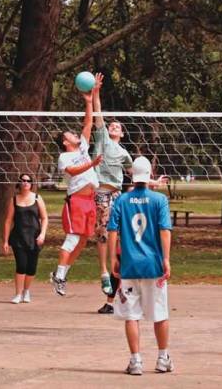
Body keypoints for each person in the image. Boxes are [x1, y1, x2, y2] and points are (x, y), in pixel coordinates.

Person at [107, 156, 173, 375]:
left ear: (131, 175)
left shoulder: (121, 200)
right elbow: (165, 230)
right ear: (150, 173)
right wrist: (166, 258)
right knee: (160, 313)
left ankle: (135, 361)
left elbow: (112, 232)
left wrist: (113, 259)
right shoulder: (159, 200)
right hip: (153, 265)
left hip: (130, 265)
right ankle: (163, 358)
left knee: (131, 315)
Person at [50, 84, 103, 296]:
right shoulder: (64, 157)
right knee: (72, 239)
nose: (75, 134)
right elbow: (73, 171)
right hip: (76, 202)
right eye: (70, 134)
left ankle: (61, 273)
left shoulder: (82, 148)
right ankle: (60, 276)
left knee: (82, 241)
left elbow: (88, 123)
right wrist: (92, 164)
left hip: (90, 200)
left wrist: (89, 101)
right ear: (65, 142)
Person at [91, 72, 134, 309]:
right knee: (103, 232)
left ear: (122, 133)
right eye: (111, 125)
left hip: (117, 194)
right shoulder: (103, 139)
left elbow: (135, 174)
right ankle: (104, 271)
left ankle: (116, 275)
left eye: (117, 126)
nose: (113, 127)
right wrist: (96, 91)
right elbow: (98, 114)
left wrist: (153, 183)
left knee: (117, 235)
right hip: (101, 192)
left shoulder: (125, 153)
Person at [2, 173, 48, 304]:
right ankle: (18, 294)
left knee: (31, 268)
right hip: (19, 237)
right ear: (19, 183)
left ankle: (26, 291)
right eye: (23, 181)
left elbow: (44, 218)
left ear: (31, 183)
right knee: (21, 265)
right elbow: (8, 220)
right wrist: (5, 241)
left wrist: (42, 234)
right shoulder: (14, 200)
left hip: (35, 238)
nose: (25, 183)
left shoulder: (38, 198)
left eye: (28, 181)